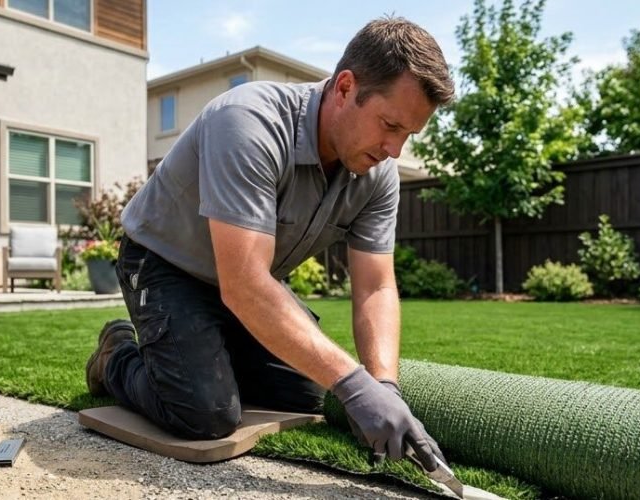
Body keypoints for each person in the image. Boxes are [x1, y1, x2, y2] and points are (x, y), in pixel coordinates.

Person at [85, 16, 456, 468]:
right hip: (165, 265)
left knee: (313, 393)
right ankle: (117, 355)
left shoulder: (377, 175)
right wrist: (354, 386)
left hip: (247, 282)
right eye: (390, 125)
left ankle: (199, 351)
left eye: (408, 135)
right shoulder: (248, 123)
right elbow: (243, 285)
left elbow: (376, 286)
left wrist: (382, 387)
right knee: (207, 413)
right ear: (344, 88)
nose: (394, 150)